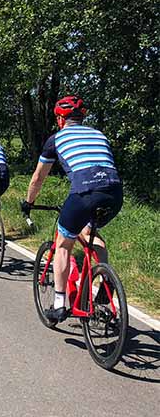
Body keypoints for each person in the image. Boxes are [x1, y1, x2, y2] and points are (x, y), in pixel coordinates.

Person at [22, 95, 123, 324]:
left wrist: (28, 202)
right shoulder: (99, 134)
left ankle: (59, 305)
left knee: (63, 246)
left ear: (60, 119)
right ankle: (105, 278)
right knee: (89, 234)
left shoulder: (56, 139)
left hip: (84, 193)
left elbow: (38, 177)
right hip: (114, 193)